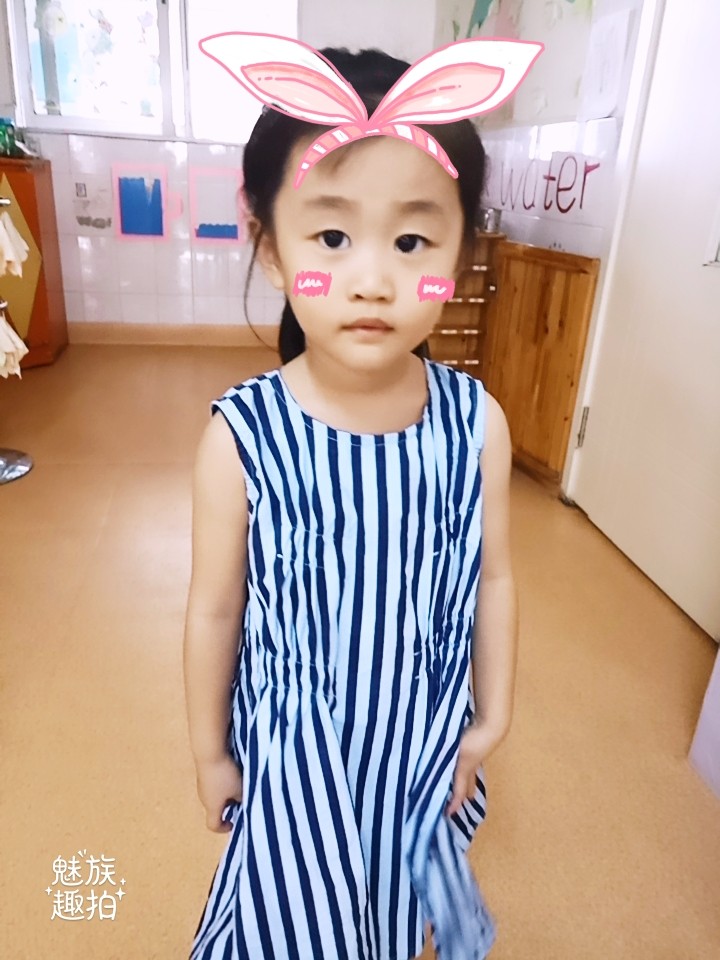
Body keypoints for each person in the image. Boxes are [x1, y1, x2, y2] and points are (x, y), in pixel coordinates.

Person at [183, 43, 519, 960]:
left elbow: (492, 579)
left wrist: (491, 718)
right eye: (331, 238)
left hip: (422, 742)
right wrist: (210, 752)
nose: (373, 278)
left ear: (460, 253)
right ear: (273, 249)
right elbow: (215, 609)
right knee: (295, 921)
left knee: (400, 912)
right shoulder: (243, 437)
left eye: (413, 242)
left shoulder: (475, 425)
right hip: (297, 759)